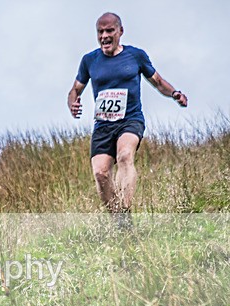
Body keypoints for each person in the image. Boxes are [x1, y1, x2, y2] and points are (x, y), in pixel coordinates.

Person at [68, 12, 187, 227]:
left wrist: (175, 93)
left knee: (124, 156)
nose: (104, 36)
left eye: (109, 31)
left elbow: (158, 82)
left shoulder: (135, 56)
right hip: (103, 125)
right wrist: (73, 103)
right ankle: (121, 222)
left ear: (120, 32)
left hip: (130, 120)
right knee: (100, 174)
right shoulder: (89, 60)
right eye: (100, 32)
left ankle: (124, 206)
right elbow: (75, 90)